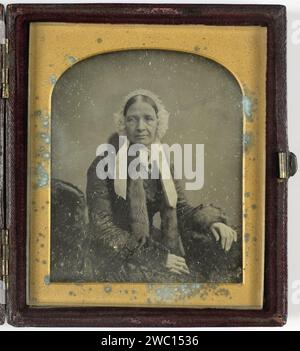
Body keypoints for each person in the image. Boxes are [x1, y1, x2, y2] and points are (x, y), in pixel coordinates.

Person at [86, 89, 239, 283]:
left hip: (148, 244)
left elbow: (180, 208)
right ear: (123, 123)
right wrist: (156, 257)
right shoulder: (105, 164)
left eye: (148, 118)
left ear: (159, 123)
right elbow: (102, 228)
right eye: (132, 119)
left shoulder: (162, 163)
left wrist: (211, 222)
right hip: (113, 255)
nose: (140, 127)